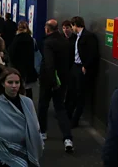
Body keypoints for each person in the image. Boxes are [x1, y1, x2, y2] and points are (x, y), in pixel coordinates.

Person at [0, 68, 43, 167]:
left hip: (24, 149)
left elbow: (34, 127)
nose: (14, 86)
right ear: (3, 83)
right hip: (1, 151)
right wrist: (19, 134)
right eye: (10, 82)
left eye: (17, 82)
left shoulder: (28, 102)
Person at [38, 19, 74, 153]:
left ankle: (42, 132)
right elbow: (69, 62)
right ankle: (67, 138)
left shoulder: (48, 43)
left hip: (49, 81)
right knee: (60, 108)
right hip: (62, 80)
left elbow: (49, 64)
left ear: (47, 29)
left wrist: (53, 81)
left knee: (43, 105)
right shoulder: (65, 42)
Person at [66, 16, 99, 128]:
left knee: (80, 94)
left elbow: (93, 53)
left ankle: (74, 120)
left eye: (72, 26)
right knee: (72, 91)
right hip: (75, 66)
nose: (71, 28)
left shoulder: (88, 37)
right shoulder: (77, 37)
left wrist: (86, 65)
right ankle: (68, 115)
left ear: (75, 25)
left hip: (82, 67)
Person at [8, 21, 38, 100]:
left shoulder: (15, 40)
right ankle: (29, 107)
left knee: (17, 89)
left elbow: (11, 54)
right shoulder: (32, 40)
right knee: (28, 90)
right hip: (29, 68)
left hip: (18, 68)